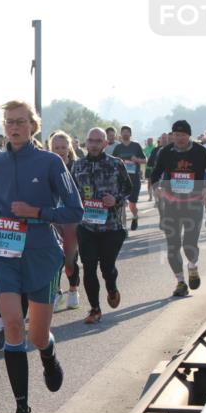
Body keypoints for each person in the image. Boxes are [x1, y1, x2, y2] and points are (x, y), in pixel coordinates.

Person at [0, 100, 83, 413]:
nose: (13, 127)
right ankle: (23, 410)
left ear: (33, 126)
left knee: (37, 335)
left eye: (20, 121)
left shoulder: (51, 162)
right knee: (12, 327)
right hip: (4, 252)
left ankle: (48, 352)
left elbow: (74, 210)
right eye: (9, 121)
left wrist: (37, 213)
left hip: (41, 253)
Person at [149, 120, 206, 296]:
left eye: (182, 135)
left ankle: (193, 265)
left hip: (193, 203)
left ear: (189, 135)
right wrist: (156, 186)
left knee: (189, 244)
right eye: (176, 135)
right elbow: (155, 173)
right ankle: (180, 282)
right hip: (170, 204)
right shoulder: (166, 152)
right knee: (172, 245)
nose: (178, 138)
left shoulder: (199, 151)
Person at [71, 127, 131, 324]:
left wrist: (116, 199)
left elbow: (128, 188)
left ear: (105, 143)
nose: (94, 144)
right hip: (86, 226)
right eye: (91, 141)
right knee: (88, 267)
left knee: (107, 267)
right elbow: (70, 191)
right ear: (85, 143)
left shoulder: (115, 164)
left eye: (98, 141)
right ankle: (94, 309)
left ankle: (112, 288)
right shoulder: (78, 165)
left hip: (111, 227)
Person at [47, 134, 82, 311]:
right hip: (52, 218)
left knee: (69, 259)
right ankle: (57, 292)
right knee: (54, 257)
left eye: (62, 147)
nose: (60, 151)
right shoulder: (46, 166)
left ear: (69, 147)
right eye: (56, 148)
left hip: (71, 220)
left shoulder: (76, 167)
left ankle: (73, 290)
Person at [110, 125, 147, 230]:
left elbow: (145, 160)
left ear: (130, 134)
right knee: (122, 204)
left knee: (132, 204)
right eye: (123, 132)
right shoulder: (118, 148)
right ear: (120, 135)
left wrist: (137, 160)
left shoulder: (136, 146)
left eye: (127, 132)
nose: (125, 134)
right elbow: (112, 162)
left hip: (134, 179)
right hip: (121, 180)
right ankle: (123, 227)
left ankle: (135, 216)